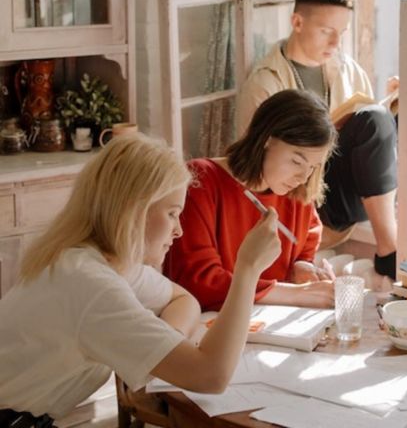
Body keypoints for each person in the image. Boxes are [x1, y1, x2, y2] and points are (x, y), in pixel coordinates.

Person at [0, 134, 282, 427]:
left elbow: (183, 300)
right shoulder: (90, 284)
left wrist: (164, 343)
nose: (178, 231)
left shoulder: (105, 261)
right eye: (172, 214)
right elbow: (211, 375)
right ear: (134, 210)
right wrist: (248, 270)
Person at [237, 0, 398, 278]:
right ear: (297, 22)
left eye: (342, 32)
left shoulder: (348, 69)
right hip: (306, 199)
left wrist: (392, 105)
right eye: (326, 31)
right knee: (374, 120)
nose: (336, 43)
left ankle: (394, 232)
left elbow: (371, 147)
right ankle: (390, 252)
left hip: (353, 194)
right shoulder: (265, 82)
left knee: (400, 108)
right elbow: (257, 171)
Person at [165, 89, 337, 311]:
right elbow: (199, 283)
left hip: (271, 325)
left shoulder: (295, 190)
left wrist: (301, 266)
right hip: (210, 326)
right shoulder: (201, 181)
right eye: (296, 161)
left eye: (313, 167)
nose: (304, 176)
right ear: (267, 139)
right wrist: (298, 294)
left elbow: (307, 241)